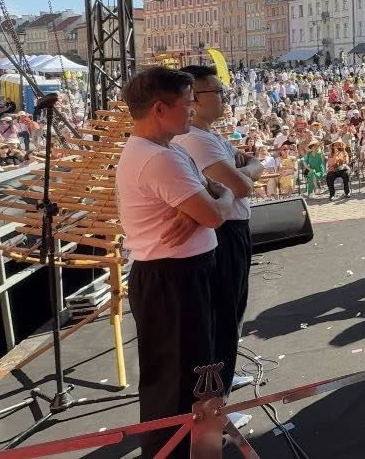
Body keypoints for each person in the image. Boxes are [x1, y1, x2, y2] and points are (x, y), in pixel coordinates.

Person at [117, 67, 236, 458]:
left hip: (183, 275)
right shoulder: (158, 159)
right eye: (186, 104)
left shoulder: (170, 150)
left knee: (195, 372)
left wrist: (202, 206)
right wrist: (215, 202)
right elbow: (216, 210)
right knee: (178, 381)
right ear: (159, 109)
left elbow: (208, 195)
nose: (192, 110)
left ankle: (199, 448)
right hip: (173, 280)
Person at [173, 66, 262, 427]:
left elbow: (248, 168)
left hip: (231, 230)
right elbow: (241, 185)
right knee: (223, 315)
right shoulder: (197, 141)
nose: (225, 97)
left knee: (231, 311)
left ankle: (224, 377)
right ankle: (216, 405)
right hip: (224, 233)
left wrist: (247, 169)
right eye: (218, 92)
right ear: (195, 98)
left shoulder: (208, 136)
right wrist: (249, 170)